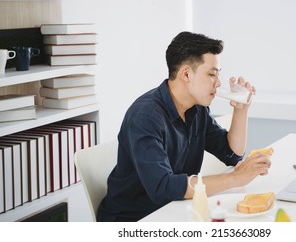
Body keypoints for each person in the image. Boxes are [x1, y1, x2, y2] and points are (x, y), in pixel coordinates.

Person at [96, 31, 271, 222]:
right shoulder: (145, 117)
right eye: (212, 74)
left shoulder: (197, 109)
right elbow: (162, 187)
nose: (218, 82)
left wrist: (241, 110)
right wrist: (236, 178)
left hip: (175, 210)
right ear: (186, 73)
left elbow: (231, 153)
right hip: (134, 219)